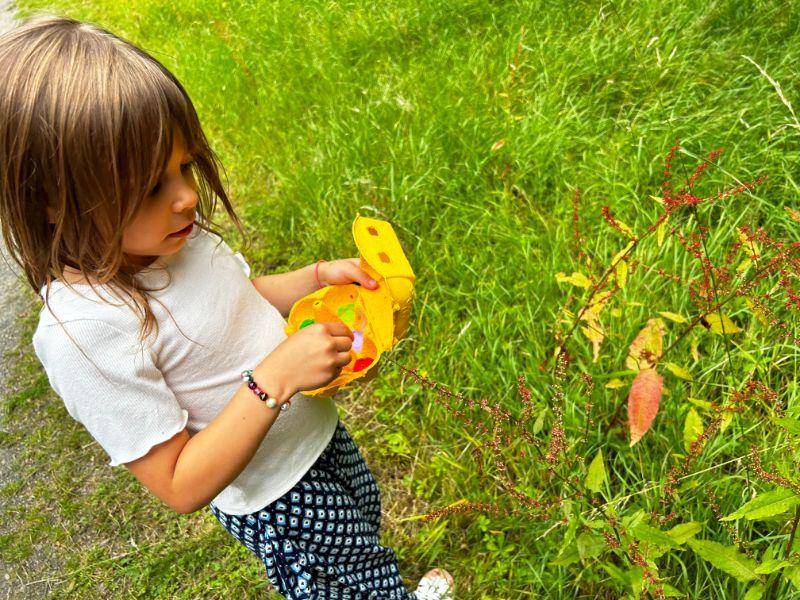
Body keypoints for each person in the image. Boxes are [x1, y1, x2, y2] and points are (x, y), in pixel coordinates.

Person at [0, 14, 454, 600]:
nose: (187, 196)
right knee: (347, 586)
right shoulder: (85, 332)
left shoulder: (165, 242)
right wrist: (272, 380)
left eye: (183, 167)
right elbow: (178, 483)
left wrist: (316, 277)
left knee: (364, 539)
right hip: (280, 499)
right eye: (149, 189)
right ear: (53, 203)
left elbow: (234, 305)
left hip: (317, 439)